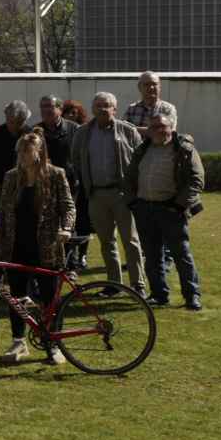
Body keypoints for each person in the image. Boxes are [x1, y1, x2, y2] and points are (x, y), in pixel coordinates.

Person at [0, 132, 75, 365]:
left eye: (26, 151)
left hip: (46, 246)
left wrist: (66, 228)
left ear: (39, 153)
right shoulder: (11, 177)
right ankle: (19, 341)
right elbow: (1, 210)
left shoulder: (56, 175)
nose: (21, 156)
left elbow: (68, 206)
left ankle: (53, 344)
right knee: (16, 295)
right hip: (17, 245)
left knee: (50, 297)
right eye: (19, 151)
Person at [69, 92, 147, 298]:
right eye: (99, 105)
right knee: (107, 242)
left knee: (131, 241)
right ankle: (114, 284)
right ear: (93, 108)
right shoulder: (83, 133)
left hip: (122, 194)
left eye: (107, 105)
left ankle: (137, 285)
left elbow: (141, 161)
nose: (103, 109)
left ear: (115, 108)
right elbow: (76, 159)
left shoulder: (128, 131)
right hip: (96, 195)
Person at [125, 112, 205, 310]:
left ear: (171, 128)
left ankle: (192, 295)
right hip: (144, 209)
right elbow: (130, 177)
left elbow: (196, 180)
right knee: (152, 256)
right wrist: (133, 202)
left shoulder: (184, 150)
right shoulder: (142, 149)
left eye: (163, 126)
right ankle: (159, 294)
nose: (159, 130)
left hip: (171, 210)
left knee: (181, 254)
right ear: (149, 131)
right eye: (154, 127)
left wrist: (179, 205)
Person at [36, 95, 86, 270]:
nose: (46, 110)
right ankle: (50, 262)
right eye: (43, 107)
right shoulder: (35, 131)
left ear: (59, 109)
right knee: (47, 224)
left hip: (70, 185)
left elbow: (83, 156)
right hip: (44, 185)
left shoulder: (75, 129)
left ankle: (72, 265)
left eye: (50, 106)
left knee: (69, 223)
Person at [0, 100, 30, 235]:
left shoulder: (32, 136)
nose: (13, 126)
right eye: (10, 121)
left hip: (27, 192)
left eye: (19, 122)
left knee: (25, 232)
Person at [124, 71, 176, 141]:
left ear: (160, 86)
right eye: (147, 84)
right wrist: (150, 131)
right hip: (136, 151)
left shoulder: (168, 109)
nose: (151, 87)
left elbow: (169, 133)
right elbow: (123, 130)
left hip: (158, 151)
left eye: (154, 84)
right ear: (139, 87)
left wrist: (134, 129)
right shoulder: (132, 109)